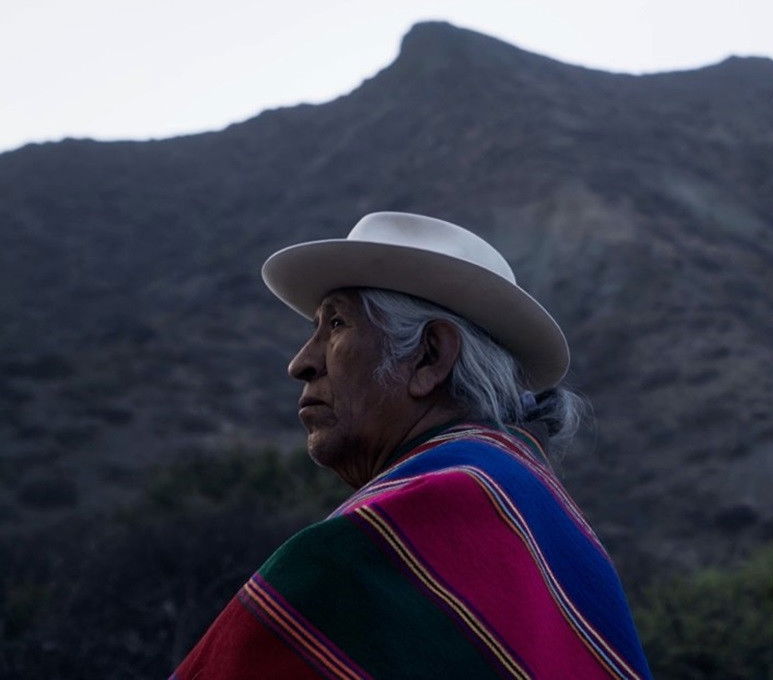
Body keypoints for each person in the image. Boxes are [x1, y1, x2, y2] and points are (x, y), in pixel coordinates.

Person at [173, 211, 652, 680]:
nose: (300, 362)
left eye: (336, 325)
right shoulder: (549, 525)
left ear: (429, 357)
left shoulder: (410, 522)